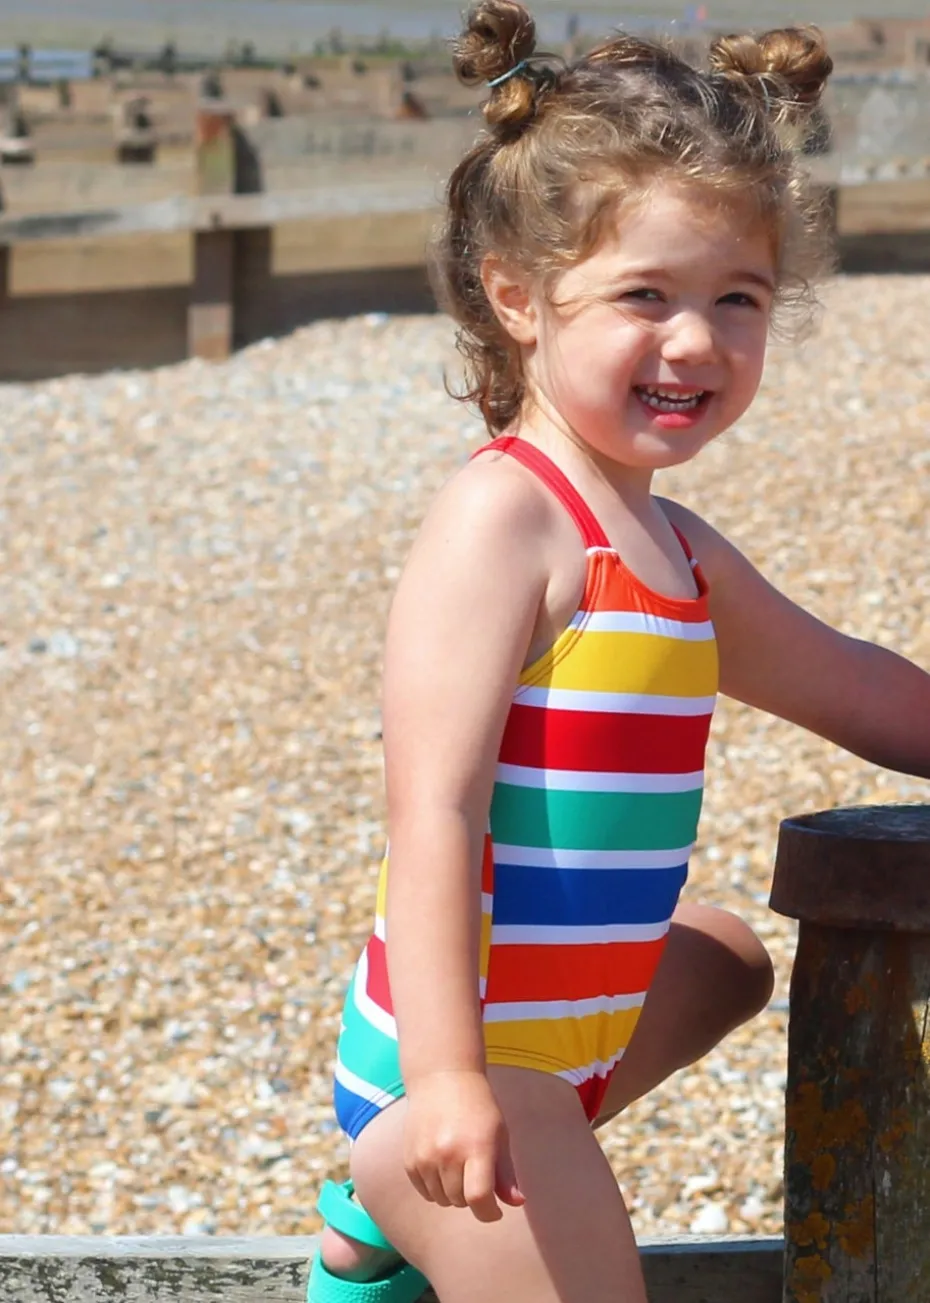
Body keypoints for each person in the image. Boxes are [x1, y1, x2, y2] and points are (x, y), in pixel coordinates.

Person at [308, 4, 930, 1300]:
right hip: (467, 1060)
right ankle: (397, 1180)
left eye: (737, 299)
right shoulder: (505, 517)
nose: (695, 340)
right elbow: (432, 812)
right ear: (518, 298)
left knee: (729, 957)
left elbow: (855, 685)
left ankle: (372, 1218)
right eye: (645, 295)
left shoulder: (677, 552)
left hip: (572, 1040)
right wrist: (448, 1083)